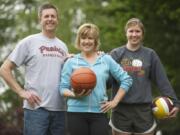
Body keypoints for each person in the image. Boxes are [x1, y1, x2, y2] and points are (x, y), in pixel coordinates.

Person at [0, 3, 68, 135]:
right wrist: (21, 92)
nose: (50, 19)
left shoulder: (63, 46)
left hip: (60, 110)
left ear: (57, 20)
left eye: (53, 16)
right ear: (40, 20)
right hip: (36, 110)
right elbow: (4, 69)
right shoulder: (29, 42)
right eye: (46, 16)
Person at [109, 18, 180, 135]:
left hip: (144, 111)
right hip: (121, 110)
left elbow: (162, 80)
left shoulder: (150, 55)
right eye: (131, 31)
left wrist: (175, 102)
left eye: (137, 31)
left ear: (142, 34)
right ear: (126, 33)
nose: (134, 34)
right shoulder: (116, 54)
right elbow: (106, 80)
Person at [59, 23, 132, 135]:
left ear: (95, 41)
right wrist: (75, 95)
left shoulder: (106, 59)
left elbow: (126, 79)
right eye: (83, 38)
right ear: (79, 40)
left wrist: (115, 101)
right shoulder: (71, 62)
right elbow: (62, 89)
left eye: (90, 38)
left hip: (99, 112)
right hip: (75, 113)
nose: (86, 41)